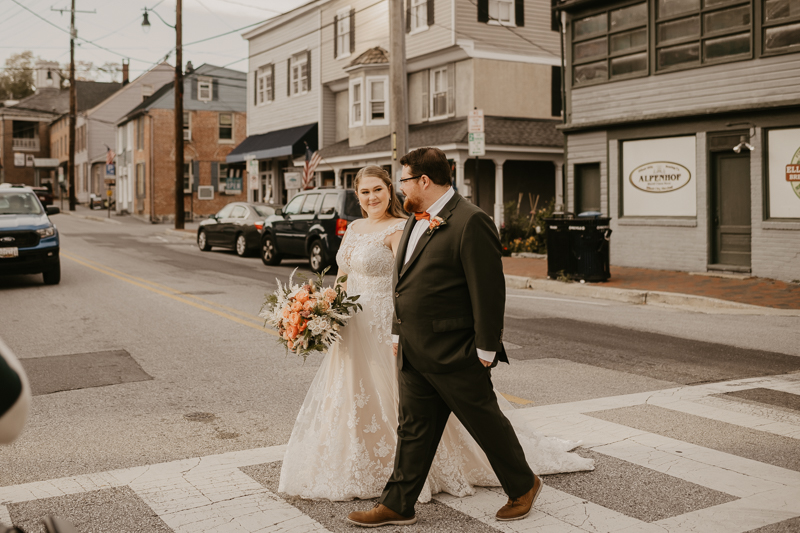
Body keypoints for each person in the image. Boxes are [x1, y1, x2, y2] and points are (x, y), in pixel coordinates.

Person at [279, 162, 592, 508]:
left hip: (389, 327)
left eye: (379, 190)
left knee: (419, 409)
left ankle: (501, 479)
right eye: (365, 192)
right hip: (353, 327)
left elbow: (411, 281)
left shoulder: (404, 228)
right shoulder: (352, 228)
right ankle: (395, 497)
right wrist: (325, 310)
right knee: (383, 407)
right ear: (357, 195)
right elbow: (343, 275)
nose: (372, 197)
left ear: (392, 191)